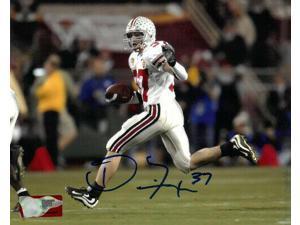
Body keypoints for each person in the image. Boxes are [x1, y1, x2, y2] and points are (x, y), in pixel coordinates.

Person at [66, 16, 257, 208]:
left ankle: (92, 195)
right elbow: (146, 94)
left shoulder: (154, 51)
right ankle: (232, 147)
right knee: (186, 163)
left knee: (115, 144)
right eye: (130, 35)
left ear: (148, 35)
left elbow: (182, 76)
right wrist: (127, 97)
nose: (133, 39)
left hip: (159, 112)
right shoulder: (135, 57)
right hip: (168, 110)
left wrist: (172, 63)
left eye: (137, 35)